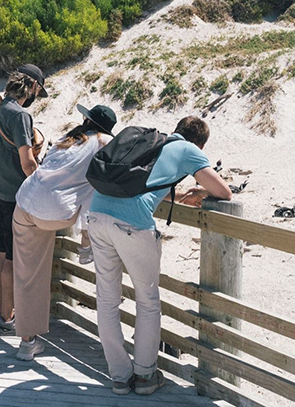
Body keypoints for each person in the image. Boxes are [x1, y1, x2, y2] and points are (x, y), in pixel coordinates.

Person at [87, 116, 232, 396]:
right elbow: (222, 191)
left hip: (97, 214)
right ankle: (144, 376)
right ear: (200, 142)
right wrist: (199, 191)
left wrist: (173, 194)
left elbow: (141, 183)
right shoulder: (190, 150)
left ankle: (119, 377)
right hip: (132, 225)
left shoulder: (153, 143)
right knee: (147, 301)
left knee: (106, 299)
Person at [12, 104, 116, 361]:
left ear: (86, 120)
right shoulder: (104, 141)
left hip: (25, 201)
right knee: (96, 181)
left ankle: (27, 343)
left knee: (27, 275)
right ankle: (86, 241)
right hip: (57, 213)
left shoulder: (66, 138)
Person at [0, 64, 47, 336]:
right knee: (13, 259)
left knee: (2, 252)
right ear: (33, 86)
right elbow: (27, 163)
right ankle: (8, 318)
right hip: (16, 196)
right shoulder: (21, 115)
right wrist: (43, 186)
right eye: (39, 89)